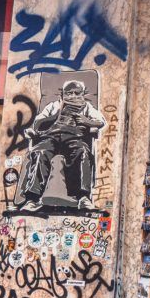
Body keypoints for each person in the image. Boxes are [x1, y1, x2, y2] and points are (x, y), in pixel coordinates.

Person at [19, 80, 105, 211]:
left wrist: (86, 121)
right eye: (69, 93)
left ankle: (83, 198)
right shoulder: (53, 106)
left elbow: (101, 122)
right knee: (40, 152)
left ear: (83, 95)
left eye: (77, 93)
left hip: (74, 138)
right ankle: (32, 199)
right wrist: (56, 114)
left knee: (82, 152)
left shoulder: (87, 107)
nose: (73, 96)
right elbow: (37, 124)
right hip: (50, 137)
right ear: (62, 95)